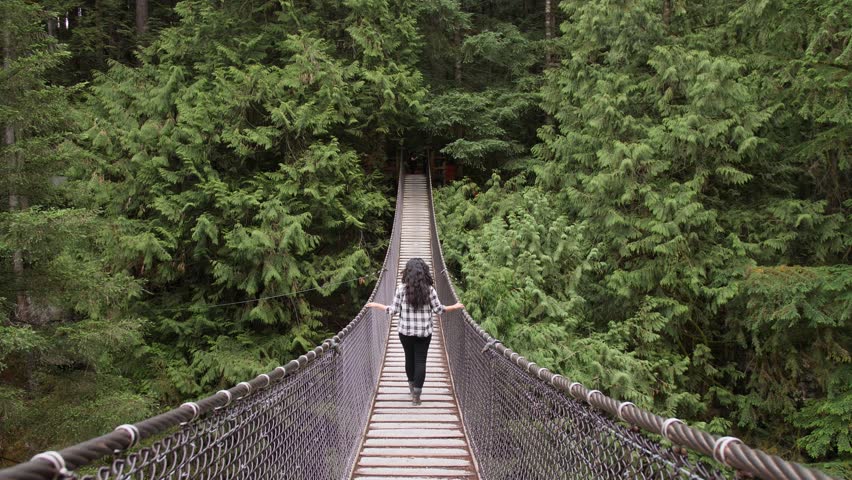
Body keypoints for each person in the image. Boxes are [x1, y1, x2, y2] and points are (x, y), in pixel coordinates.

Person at [366, 258, 464, 405]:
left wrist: (376, 305)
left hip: (405, 333)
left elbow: (394, 310)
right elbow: (439, 310)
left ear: (407, 272)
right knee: (420, 361)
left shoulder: (401, 289)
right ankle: (416, 396)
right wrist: (455, 306)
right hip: (424, 333)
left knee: (409, 359)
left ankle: (412, 388)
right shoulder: (430, 290)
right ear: (424, 272)